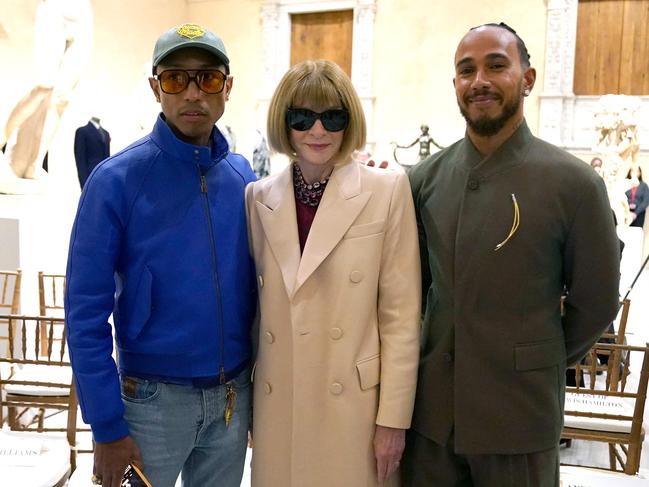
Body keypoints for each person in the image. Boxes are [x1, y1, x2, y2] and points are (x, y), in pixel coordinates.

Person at [402, 23, 621, 486]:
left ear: (527, 78)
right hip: (432, 423)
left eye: (496, 66)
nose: (479, 79)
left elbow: (596, 302)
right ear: (456, 85)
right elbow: (411, 291)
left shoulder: (575, 184)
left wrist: (535, 355)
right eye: (466, 71)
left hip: (520, 417)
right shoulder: (424, 180)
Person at [65, 24, 256, 487]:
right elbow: (85, 311)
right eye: (176, 79)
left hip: (232, 399)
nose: (193, 93)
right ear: (156, 88)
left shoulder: (242, 177)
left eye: (208, 78)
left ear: (227, 88)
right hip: (149, 402)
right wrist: (107, 426)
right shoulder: (115, 180)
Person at [245, 59, 421, 487]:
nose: (317, 131)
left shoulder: (386, 190)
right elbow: (254, 312)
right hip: (279, 403)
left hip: (355, 410)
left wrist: (393, 421)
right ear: (283, 123)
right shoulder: (258, 198)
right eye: (301, 117)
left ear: (350, 121)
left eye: (332, 117)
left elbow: (401, 318)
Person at [74, 116, 111, 189]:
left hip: (105, 177)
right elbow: (80, 159)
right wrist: (84, 184)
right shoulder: (82, 131)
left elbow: (107, 157)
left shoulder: (106, 133)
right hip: (90, 176)